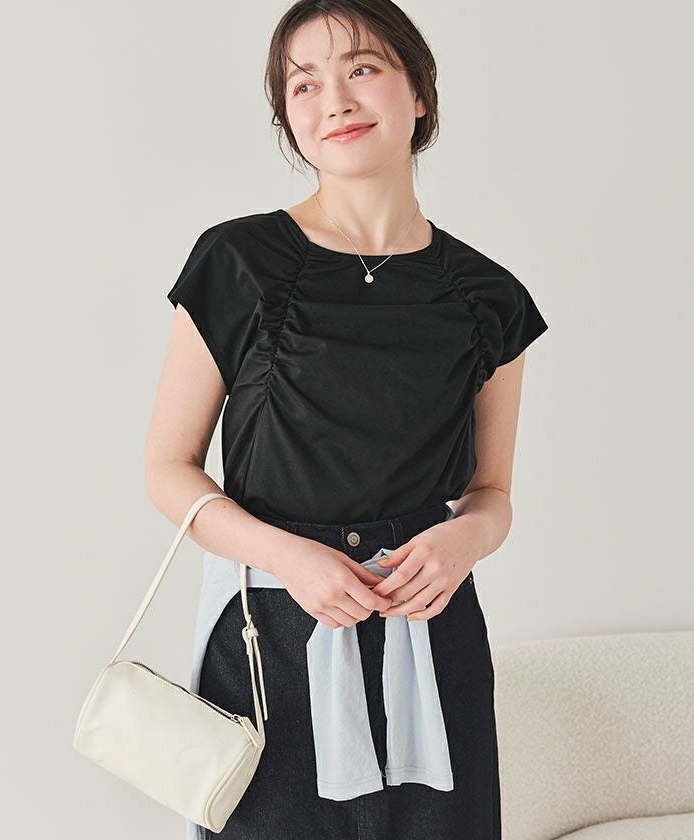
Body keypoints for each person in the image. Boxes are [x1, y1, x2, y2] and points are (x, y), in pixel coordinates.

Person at [145, 2, 549, 838]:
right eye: (304, 84)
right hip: (271, 640)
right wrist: (289, 557)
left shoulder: (490, 297)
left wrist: (462, 542)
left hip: (430, 633)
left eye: (362, 68)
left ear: (419, 93)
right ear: (288, 118)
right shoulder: (238, 261)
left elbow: (493, 492)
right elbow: (167, 470)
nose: (335, 100)